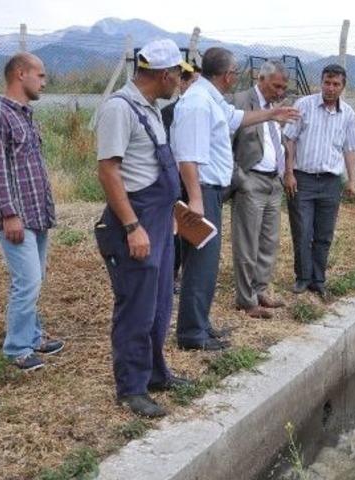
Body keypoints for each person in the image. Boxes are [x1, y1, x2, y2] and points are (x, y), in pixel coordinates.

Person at [171, 48, 300, 349]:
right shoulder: (198, 103)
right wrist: (195, 199)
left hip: (211, 191)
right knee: (200, 263)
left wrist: (272, 113)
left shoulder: (211, 99)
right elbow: (187, 157)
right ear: (228, 75)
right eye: (235, 71)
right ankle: (192, 334)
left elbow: (236, 118)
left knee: (207, 264)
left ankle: (201, 325)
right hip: (201, 191)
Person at [94, 39, 196, 417]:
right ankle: (131, 388)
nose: (180, 82)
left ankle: (156, 374)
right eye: (179, 75)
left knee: (158, 305)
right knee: (136, 308)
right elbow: (108, 170)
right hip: (135, 221)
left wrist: (170, 214)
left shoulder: (150, 108)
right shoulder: (119, 109)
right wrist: (133, 226)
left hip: (159, 219)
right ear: (165, 74)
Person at [0, 52, 64, 372]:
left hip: (35, 212)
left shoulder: (25, 115)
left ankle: (33, 334)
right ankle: (16, 348)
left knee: (35, 278)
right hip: (15, 216)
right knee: (26, 281)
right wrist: (8, 214)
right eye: (40, 75)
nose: (44, 81)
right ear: (20, 74)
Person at [283, 64, 355, 300]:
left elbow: (350, 149)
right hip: (303, 180)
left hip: (331, 182)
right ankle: (303, 278)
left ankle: (318, 280)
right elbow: (289, 140)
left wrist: (352, 181)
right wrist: (289, 172)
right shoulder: (304, 106)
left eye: (336, 84)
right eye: (327, 83)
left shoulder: (348, 114)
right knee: (302, 231)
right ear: (321, 83)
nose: (330, 88)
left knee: (324, 234)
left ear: (343, 86)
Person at [227, 60, 290, 319]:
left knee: (269, 241)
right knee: (247, 243)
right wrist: (239, 178)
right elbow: (224, 142)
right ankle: (245, 299)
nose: (280, 91)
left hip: (273, 183)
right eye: (276, 86)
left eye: (284, 87)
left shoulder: (276, 107)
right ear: (261, 79)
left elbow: (278, 141)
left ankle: (260, 289)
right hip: (250, 180)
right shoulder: (240, 101)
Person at [161, 61, 200, 294]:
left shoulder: (202, 112)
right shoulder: (167, 113)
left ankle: (190, 272)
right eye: (192, 82)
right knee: (174, 228)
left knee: (193, 227)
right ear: (181, 83)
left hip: (195, 180)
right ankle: (171, 273)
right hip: (174, 178)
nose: (197, 88)